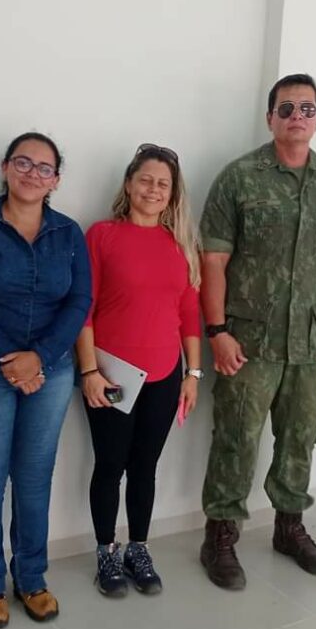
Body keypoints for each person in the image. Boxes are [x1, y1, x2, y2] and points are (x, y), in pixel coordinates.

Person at [197, 74, 316, 590]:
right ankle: (220, 534)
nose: (298, 116)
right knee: (236, 438)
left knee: (300, 437)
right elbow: (213, 260)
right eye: (287, 108)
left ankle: (289, 527)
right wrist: (218, 331)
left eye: (307, 109)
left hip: (313, 342)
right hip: (250, 341)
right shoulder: (239, 178)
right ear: (270, 117)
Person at [0, 132, 91, 629]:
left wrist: (41, 358)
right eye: (23, 163)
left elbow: (79, 303)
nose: (33, 173)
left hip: (50, 370)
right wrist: (12, 360)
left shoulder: (69, 234)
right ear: (6, 168)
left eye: (44, 167)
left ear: (56, 180)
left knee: (33, 477)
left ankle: (31, 577)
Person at [75, 144, 203, 597]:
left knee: (145, 467)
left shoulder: (181, 245)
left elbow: (190, 312)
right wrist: (89, 371)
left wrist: (193, 374)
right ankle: (106, 552)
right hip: (112, 375)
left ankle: (138, 548)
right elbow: (83, 309)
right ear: (129, 184)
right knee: (110, 465)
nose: (153, 189)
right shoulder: (102, 235)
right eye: (145, 180)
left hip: (166, 375)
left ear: (172, 195)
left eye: (162, 184)